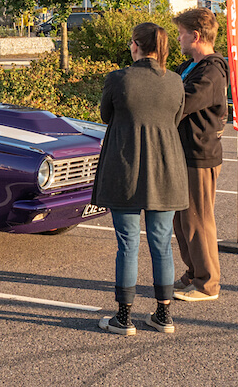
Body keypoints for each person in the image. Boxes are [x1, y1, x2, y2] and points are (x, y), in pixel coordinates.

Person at [93, 23, 188, 335]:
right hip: (167, 170)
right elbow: (174, 119)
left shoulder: (119, 78)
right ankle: (164, 315)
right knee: (162, 243)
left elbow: (106, 115)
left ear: (135, 45)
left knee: (127, 243)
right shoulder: (175, 81)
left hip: (127, 169)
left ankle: (124, 317)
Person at [172, 7, 228, 301]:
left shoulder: (211, 71)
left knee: (197, 218)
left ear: (195, 35)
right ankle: (193, 273)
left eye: (181, 33)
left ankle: (208, 283)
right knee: (181, 220)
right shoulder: (187, 68)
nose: (178, 39)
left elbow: (182, 102)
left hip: (200, 154)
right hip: (182, 153)